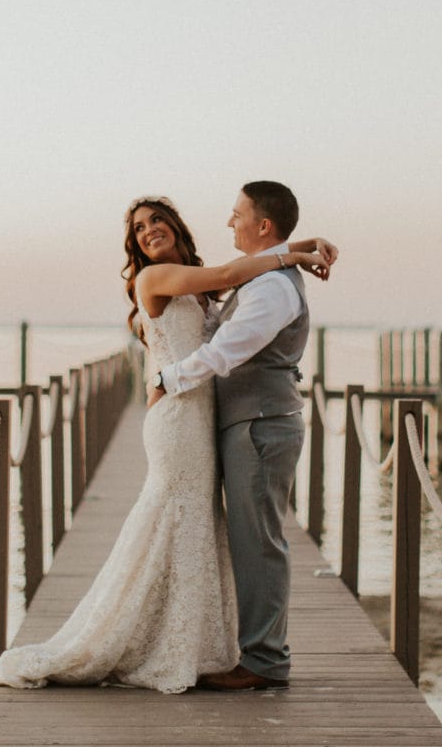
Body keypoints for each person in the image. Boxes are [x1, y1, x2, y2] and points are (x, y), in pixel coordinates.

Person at [0, 194, 331, 695]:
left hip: (203, 414)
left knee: (195, 524)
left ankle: (184, 638)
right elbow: (231, 274)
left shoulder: (193, 278)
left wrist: (296, 246)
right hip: (176, 414)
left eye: (157, 220)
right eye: (140, 227)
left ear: (174, 225)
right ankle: (145, 637)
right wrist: (295, 251)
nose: (149, 230)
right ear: (134, 244)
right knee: (174, 514)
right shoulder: (153, 279)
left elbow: (231, 273)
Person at [147, 181, 337, 691]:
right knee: (252, 541)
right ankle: (254, 651)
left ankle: (264, 662)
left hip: (259, 426)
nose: (230, 222)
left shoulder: (272, 288)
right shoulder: (264, 278)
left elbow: (227, 350)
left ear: (263, 225)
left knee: (259, 545)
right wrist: (300, 248)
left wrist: (166, 381)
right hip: (249, 423)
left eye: (236, 215)